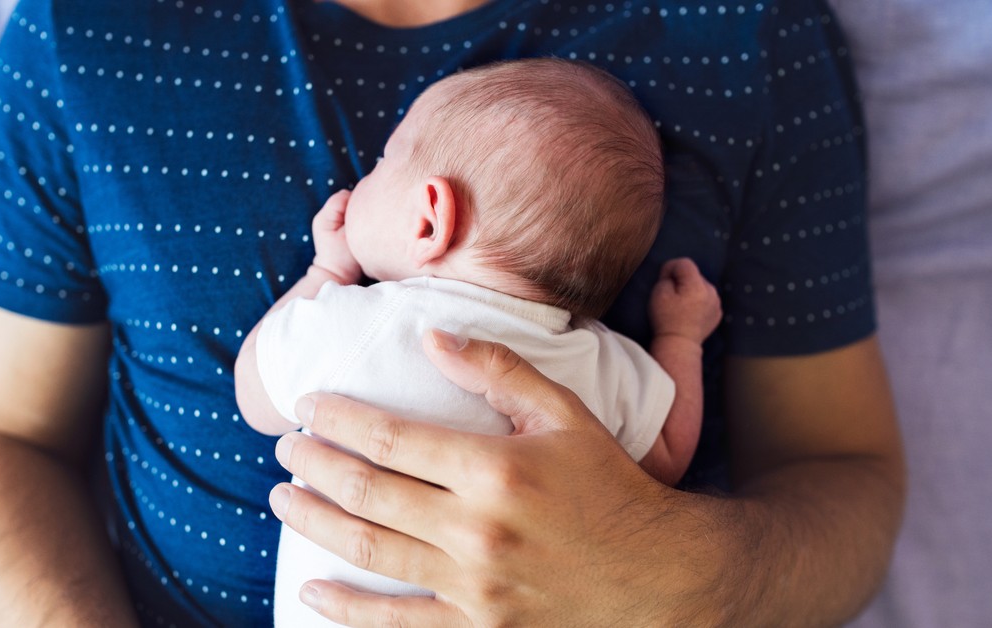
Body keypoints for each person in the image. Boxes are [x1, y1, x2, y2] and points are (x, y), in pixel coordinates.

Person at [0, 0, 903, 626]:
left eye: (387, 169)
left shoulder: (747, 30)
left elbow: (842, 469)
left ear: (429, 210)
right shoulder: (88, 28)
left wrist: (675, 577)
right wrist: (680, 336)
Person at [231, 59, 722, 624]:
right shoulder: (598, 361)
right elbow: (666, 459)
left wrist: (325, 273)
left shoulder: (358, 322)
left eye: (382, 164)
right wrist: (682, 337)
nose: (362, 179)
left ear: (428, 222)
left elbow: (254, 397)